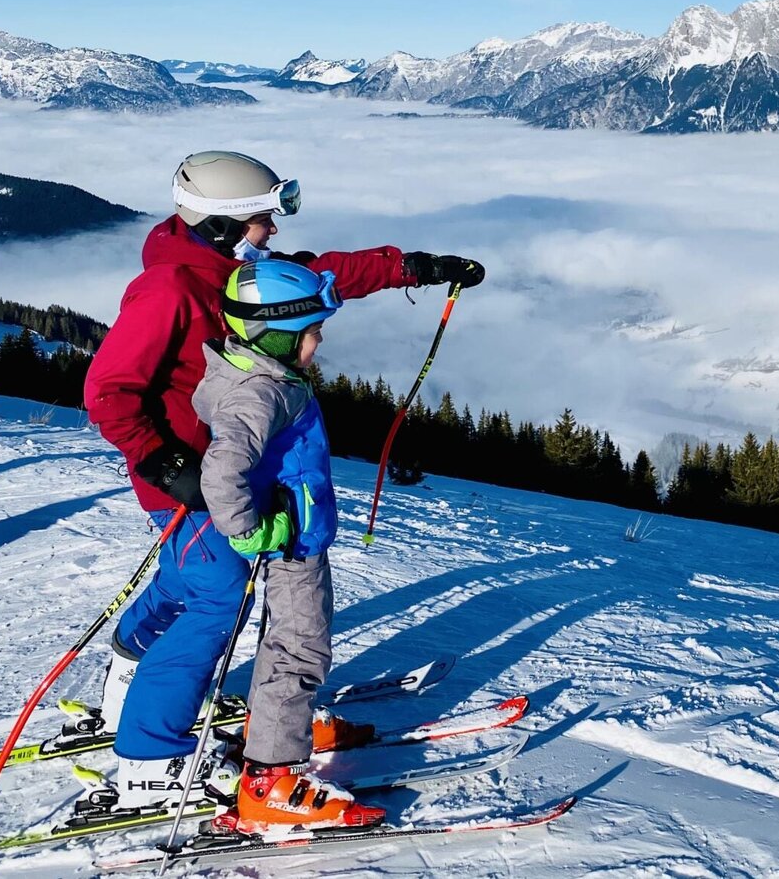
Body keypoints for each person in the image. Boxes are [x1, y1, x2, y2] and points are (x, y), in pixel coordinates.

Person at [82, 151, 484, 808]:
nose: (272, 229)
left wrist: (413, 266)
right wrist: (162, 461)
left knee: (190, 580)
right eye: (262, 219)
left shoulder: (242, 271)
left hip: (231, 473)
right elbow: (108, 392)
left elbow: (319, 274)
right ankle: (152, 761)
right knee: (216, 592)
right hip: (187, 476)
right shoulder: (172, 290)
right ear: (219, 226)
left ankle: (130, 672)